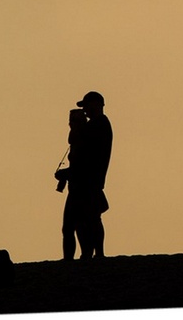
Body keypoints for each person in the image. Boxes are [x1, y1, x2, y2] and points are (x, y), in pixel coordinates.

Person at [68, 90, 113, 259]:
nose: (85, 110)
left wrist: (77, 127)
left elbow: (82, 147)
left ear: (97, 104)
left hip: (89, 180)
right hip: (88, 179)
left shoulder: (99, 124)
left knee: (90, 218)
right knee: (86, 218)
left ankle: (95, 253)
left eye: (87, 105)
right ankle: (90, 252)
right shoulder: (97, 124)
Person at [57, 108, 88, 260]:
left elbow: (81, 168)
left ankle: (79, 257)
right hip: (76, 188)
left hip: (80, 190)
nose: (70, 124)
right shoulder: (77, 142)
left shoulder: (82, 143)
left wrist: (64, 174)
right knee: (74, 226)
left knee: (73, 226)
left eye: (73, 121)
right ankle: (78, 256)